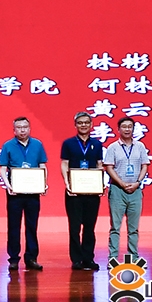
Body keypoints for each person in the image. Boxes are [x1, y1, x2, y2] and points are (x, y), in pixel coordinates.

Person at [0, 117, 48, 271]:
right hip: (15, 193)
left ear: (29, 128)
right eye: (19, 127)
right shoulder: (8, 145)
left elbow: (42, 165)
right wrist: (8, 186)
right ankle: (13, 258)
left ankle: (31, 257)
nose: (22, 130)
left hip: (33, 192)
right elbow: (3, 168)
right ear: (14, 130)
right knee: (14, 226)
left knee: (32, 226)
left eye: (25, 127)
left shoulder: (37, 144)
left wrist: (43, 183)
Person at [60, 112, 105, 271]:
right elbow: (64, 164)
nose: (83, 125)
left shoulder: (97, 144)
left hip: (92, 192)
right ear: (75, 125)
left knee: (89, 227)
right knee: (74, 227)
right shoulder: (68, 143)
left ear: (91, 125)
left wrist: (100, 184)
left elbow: (99, 164)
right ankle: (76, 259)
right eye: (80, 123)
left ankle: (88, 258)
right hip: (74, 191)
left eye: (86, 122)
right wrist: (67, 183)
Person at [103, 116, 150, 263]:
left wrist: (137, 182)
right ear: (118, 129)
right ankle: (112, 258)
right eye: (124, 127)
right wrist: (122, 183)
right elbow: (109, 167)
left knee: (133, 228)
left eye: (130, 127)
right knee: (115, 227)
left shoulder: (140, 146)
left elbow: (145, 166)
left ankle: (133, 257)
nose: (127, 129)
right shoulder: (113, 147)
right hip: (117, 190)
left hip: (136, 190)